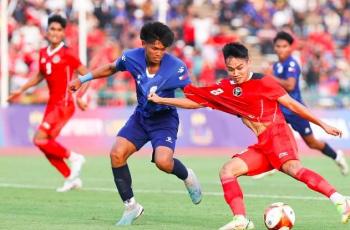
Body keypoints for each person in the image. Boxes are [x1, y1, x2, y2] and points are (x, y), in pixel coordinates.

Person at [148, 42, 350, 230]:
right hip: (263, 144)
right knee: (227, 171)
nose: (235, 73)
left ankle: (341, 200)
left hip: (278, 135)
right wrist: (162, 100)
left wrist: (322, 124)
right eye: (231, 69)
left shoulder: (264, 82)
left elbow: (292, 105)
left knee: (293, 168)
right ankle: (241, 220)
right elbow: (196, 102)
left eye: (240, 68)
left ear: (248, 63)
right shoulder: (226, 88)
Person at [69, 21, 202, 226]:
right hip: (141, 117)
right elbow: (111, 68)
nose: (158, 52)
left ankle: (187, 176)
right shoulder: (132, 57)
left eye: (162, 49)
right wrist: (83, 79)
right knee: (116, 154)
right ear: (143, 44)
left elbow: (194, 100)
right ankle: (131, 207)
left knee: (163, 162)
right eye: (154, 48)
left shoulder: (177, 68)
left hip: (164, 119)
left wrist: (164, 100)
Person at [7, 14, 88, 192]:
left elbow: (87, 74)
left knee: (39, 139)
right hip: (52, 105)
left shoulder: (68, 54)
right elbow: (40, 75)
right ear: (47, 31)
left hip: (64, 104)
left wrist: (81, 96)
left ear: (63, 33)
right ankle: (70, 178)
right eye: (52, 29)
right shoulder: (43, 53)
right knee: (44, 144)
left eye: (59, 30)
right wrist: (21, 89)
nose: (55, 32)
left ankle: (74, 157)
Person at [272, 31, 348, 175]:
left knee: (312, 143)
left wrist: (270, 77)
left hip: (295, 110)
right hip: (281, 108)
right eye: (278, 46)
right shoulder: (276, 65)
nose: (281, 49)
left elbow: (289, 85)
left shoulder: (292, 64)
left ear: (290, 48)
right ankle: (273, 163)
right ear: (274, 48)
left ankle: (337, 156)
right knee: (271, 132)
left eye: (284, 46)